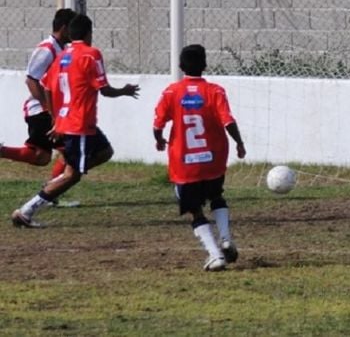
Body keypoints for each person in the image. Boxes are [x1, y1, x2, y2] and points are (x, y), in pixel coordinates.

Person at [11, 14, 140, 228]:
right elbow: (104, 90)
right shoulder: (91, 54)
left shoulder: (62, 56)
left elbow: (48, 88)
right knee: (72, 175)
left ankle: (60, 178)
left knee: (105, 152)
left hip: (74, 122)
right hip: (78, 123)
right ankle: (27, 210)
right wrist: (124, 91)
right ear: (89, 33)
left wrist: (55, 118)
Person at [153, 44, 246, 272]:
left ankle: (216, 255)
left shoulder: (171, 92)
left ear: (180, 66)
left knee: (195, 210)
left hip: (185, 164)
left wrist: (158, 138)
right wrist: (239, 143)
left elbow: (157, 124)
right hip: (213, 160)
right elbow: (228, 121)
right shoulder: (215, 91)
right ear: (204, 65)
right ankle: (225, 238)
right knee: (217, 196)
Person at [1, 9, 76, 179]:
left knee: (40, 157)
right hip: (41, 111)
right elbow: (31, 80)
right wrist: (49, 109)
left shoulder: (61, 49)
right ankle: (50, 193)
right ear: (64, 28)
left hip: (50, 111)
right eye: (72, 28)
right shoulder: (47, 49)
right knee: (71, 149)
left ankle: (49, 193)